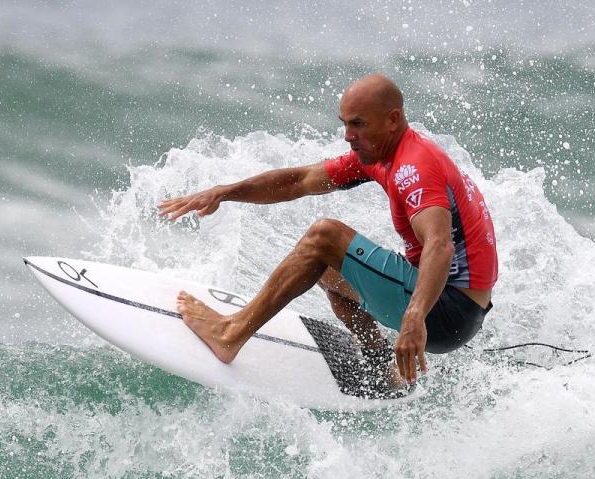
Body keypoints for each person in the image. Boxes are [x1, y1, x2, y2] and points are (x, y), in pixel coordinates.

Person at [156, 74, 497, 388]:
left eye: (358, 124)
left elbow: (440, 245)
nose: (349, 135)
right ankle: (381, 367)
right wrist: (224, 192)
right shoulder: (380, 154)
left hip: (447, 311)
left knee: (325, 237)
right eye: (345, 124)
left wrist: (413, 318)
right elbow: (300, 181)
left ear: (392, 120)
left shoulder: (414, 167)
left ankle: (229, 334)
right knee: (328, 265)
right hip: (457, 309)